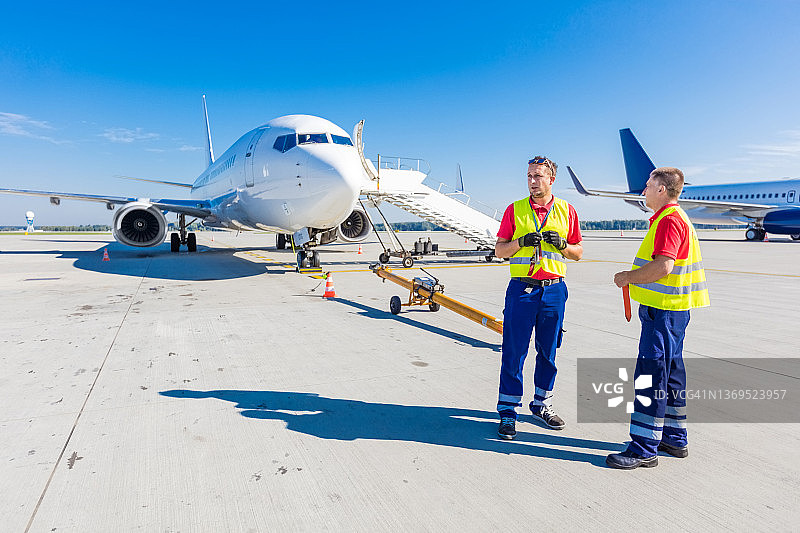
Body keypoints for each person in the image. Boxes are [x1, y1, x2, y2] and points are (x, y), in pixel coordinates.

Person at [606, 167, 710, 469]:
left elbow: (663, 266)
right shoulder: (677, 218)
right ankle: (674, 438)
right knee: (672, 373)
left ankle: (643, 447)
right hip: (673, 311)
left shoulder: (669, 221)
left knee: (650, 376)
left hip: (663, 312)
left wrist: (628, 277)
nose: (644, 191)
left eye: (649, 186)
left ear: (662, 190)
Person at [494, 156, 583, 440]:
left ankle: (542, 403)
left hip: (554, 290)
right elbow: (499, 250)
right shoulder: (515, 210)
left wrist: (564, 246)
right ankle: (508, 410)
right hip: (522, 289)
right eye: (530, 176)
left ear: (551, 180)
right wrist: (520, 242)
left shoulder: (567, 210)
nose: (533, 181)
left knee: (549, 351)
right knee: (514, 351)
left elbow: (578, 252)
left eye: (538, 176)